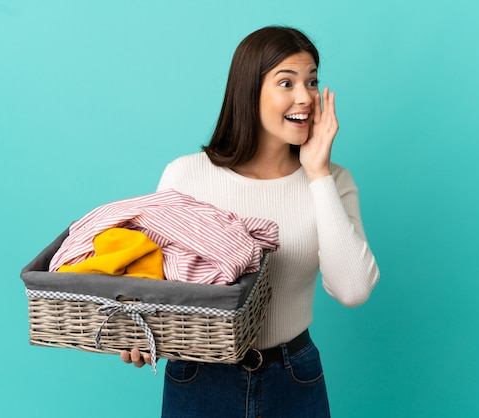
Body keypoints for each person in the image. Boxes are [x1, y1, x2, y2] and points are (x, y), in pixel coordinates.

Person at [120, 25, 380, 417]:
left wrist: (318, 174)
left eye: (312, 82)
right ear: (249, 92)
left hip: (293, 377)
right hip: (199, 376)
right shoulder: (186, 176)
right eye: (286, 82)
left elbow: (353, 290)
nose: (305, 97)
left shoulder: (333, 180)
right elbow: (152, 279)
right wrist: (138, 336)